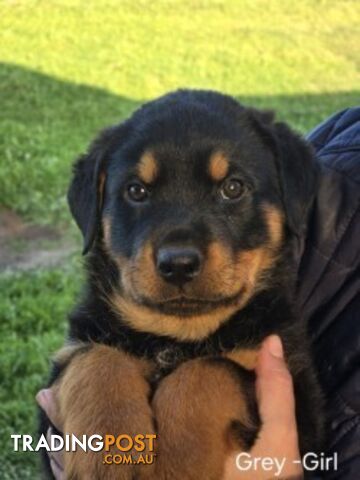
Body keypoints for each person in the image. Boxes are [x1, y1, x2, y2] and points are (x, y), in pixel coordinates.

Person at [37, 108, 360, 479]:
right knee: (93, 370)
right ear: (96, 208)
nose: (178, 255)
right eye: (137, 191)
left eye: (233, 189)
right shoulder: (344, 151)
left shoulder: (268, 338)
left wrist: (201, 397)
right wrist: (89, 382)